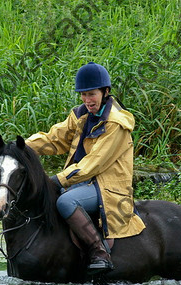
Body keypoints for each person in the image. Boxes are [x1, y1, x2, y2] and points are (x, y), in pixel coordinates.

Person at [25, 62, 146, 273]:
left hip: (109, 189)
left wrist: (58, 180)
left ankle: (100, 252)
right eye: (83, 95)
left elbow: (93, 163)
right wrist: (22, 147)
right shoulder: (80, 115)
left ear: (105, 92)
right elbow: (55, 140)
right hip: (84, 183)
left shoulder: (116, 124)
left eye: (91, 94)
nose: (87, 100)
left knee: (65, 201)